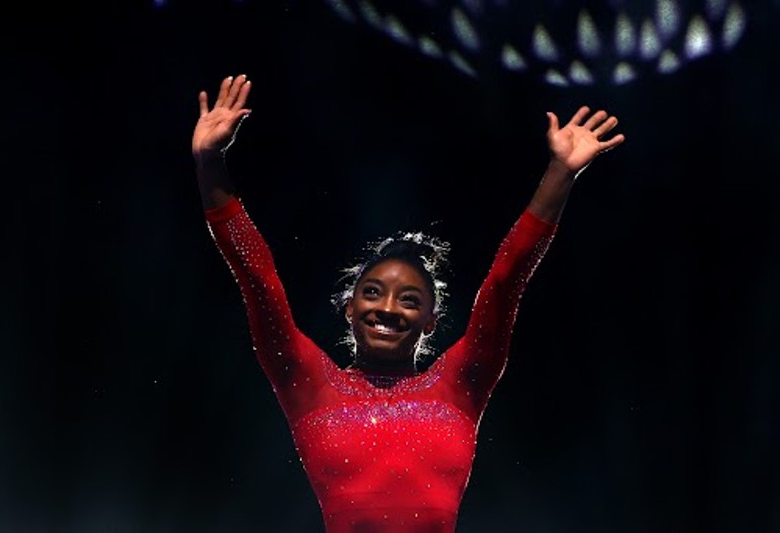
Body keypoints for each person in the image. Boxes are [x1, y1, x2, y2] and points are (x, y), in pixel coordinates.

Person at [191, 73, 624, 532]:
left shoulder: (462, 382)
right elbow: (257, 279)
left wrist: (561, 172)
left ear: (431, 321)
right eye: (372, 293)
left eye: (410, 299)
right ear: (349, 308)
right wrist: (210, 163)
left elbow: (506, 281)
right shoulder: (307, 382)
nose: (389, 308)